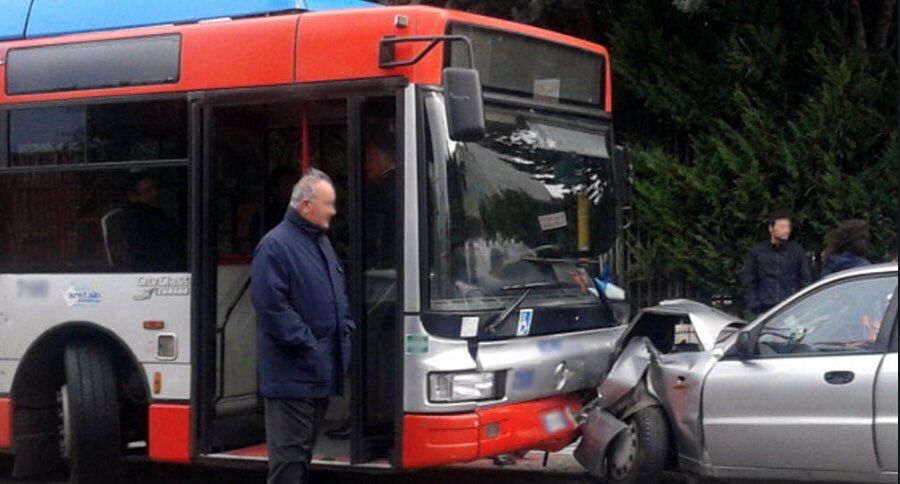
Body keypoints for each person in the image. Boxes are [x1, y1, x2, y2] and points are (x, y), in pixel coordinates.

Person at [251, 169, 355, 484]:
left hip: (316, 371)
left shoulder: (320, 241)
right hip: (292, 374)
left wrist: (344, 329)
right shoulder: (275, 245)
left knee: (300, 457)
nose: (333, 211)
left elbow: (338, 294)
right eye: (329, 204)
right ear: (306, 206)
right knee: (288, 463)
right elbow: (272, 308)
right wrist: (310, 344)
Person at [742, 211, 812, 316]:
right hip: (764, 309)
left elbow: (805, 279)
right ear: (771, 228)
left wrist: (799, 304)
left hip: (790, 307)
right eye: (782, 227)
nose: (786, 230)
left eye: (788, 227)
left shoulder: (797, 251)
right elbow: (749, 281)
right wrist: (755, 306)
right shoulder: (758, 252)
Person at [117, 172, 181, 271]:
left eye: (155, 189)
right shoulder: (135, 219)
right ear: (133, 196)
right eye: (148, 191)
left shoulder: (156, 213)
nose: (155, 193)